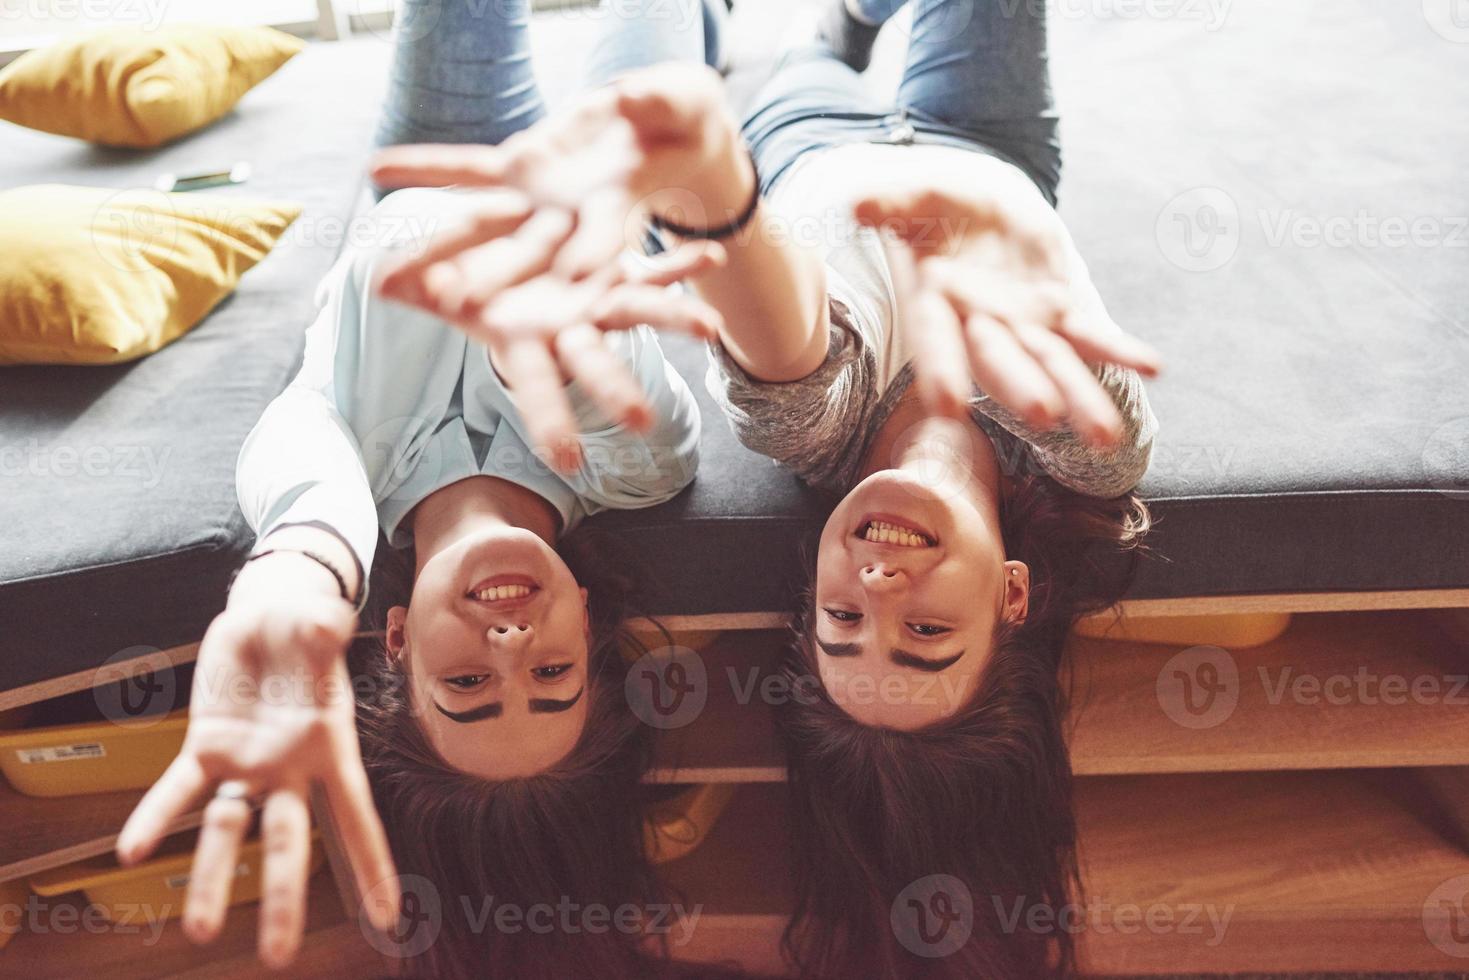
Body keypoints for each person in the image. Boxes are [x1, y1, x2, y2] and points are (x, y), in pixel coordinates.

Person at [372, 0, 1161, 974]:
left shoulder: (808, 423)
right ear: (1009, 597)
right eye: (923, 634)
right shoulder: (1080, 446)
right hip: (987, 139)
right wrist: (1019, 260)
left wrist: (711, 183)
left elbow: (781, 332)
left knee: (778, 57)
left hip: (803, 137)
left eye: (839, 619)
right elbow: (1089, 383)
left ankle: (808, 32)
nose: (876, 591)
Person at [114, 0, 730, 972]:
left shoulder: (345, 466)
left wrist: (297, 574)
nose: (511, 645)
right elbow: (596, 359)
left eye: (469, 684)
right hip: (609, 169)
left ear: (395, 643)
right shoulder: (637, 470)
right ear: (584, 618)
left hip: (424, 161)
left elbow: (301, 447)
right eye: (552, 675)